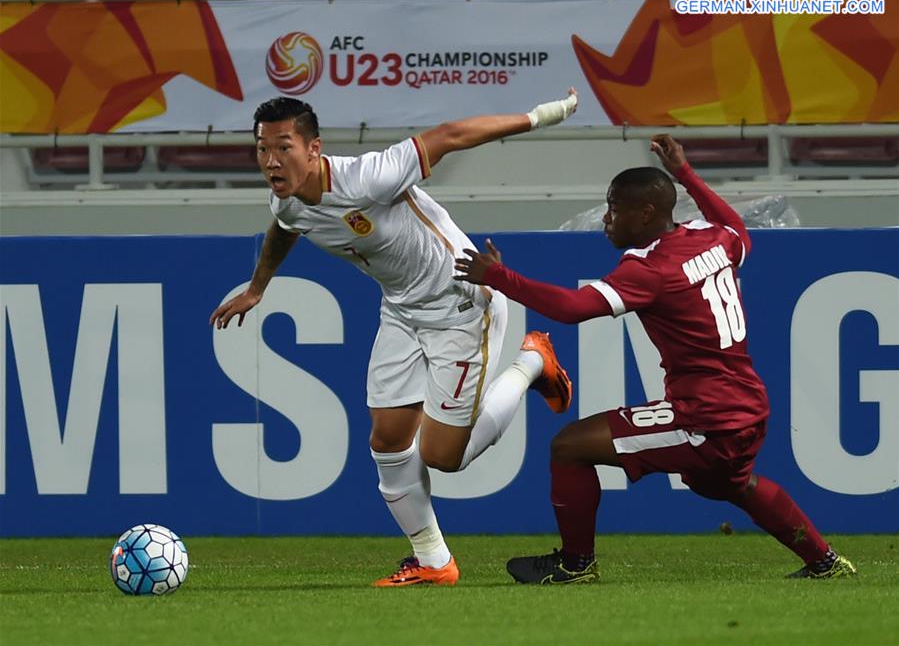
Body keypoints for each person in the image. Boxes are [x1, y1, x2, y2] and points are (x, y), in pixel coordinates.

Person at [209, 91, 580, 587]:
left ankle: (531, 362)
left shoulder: (369, 176)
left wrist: (538, 116)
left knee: (443, 457)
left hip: (460, 304)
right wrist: (258, 287)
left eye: (284, 147)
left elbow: (449, 135)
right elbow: (284, 226)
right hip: (402, 310)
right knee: (386, 440)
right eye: (262, 150)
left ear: (314, 148)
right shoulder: (285, 197)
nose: (271, 161)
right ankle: (433, 562)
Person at [454, 134, 857, 584]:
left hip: (706, 417)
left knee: (569, 447)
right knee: (732, 483)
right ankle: (825, 562)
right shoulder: (711, 238)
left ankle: (574, 564)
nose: (606, 219)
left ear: (645, 213)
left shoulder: (650, 269)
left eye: (614, 208)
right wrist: (685, 173)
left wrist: (499, 276)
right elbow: (739, 232)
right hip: (745, 406)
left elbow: (571, 309)